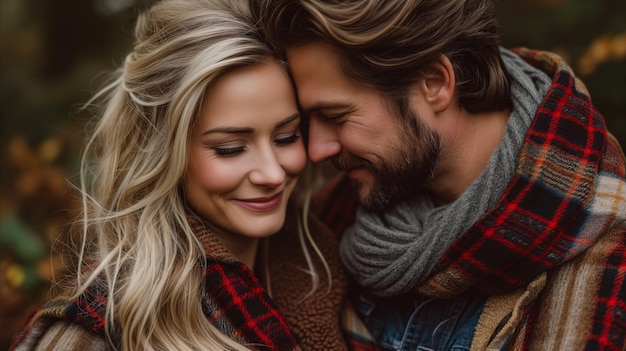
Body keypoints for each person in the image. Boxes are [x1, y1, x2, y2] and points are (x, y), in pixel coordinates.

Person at [253, 0, 626, 350]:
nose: (317, 150)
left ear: (434, 83)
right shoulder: (327, 219)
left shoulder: (612, 266)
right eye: (307, 120)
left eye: (335, 116)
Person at [9, 0, 351, 350]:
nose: (273, 173)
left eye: (286, 137)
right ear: (161, 152)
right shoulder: (98, 329)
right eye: (230, 148)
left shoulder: (336, 261)